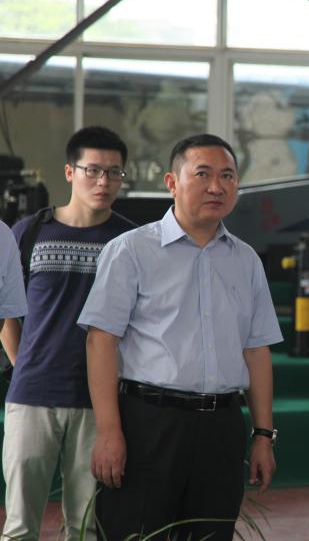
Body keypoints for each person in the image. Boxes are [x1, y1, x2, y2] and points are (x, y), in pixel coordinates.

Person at [78, 134, 282, 541]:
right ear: (172, 182)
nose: (216, 187)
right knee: (134, 532)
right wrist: (109, 431)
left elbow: (256, 351)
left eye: (227, 176)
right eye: (203, 174)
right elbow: (100, 343)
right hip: (148, 424)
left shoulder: (246, 260)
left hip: (222, 426)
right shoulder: (131, 250)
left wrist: (263, 435)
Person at [1, 127, 134, 541]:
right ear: (69, 172)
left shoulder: (130, 242)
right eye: (93, 170)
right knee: (19, 527)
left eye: (114, 173)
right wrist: (25, 367)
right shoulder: (28, 233)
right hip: (31, 399)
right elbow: (7, 314)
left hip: (101, 405)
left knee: (86, 528)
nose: (103, 181)